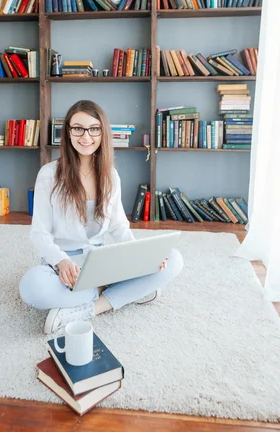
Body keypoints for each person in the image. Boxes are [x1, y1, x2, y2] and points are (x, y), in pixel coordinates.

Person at [19, 100, 183, 334]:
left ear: (103, 132)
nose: (86, 137)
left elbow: (118, 226)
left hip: (101, 262)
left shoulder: (110, 175)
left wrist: (141, 257)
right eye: (78, 128)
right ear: (67, 132)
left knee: (172, 259)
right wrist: (61, 261)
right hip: (65, 266)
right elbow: (39, 233)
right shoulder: (49, 175)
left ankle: (91, 308)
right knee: (31, 287)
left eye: (94, 129)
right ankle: (126, 291)